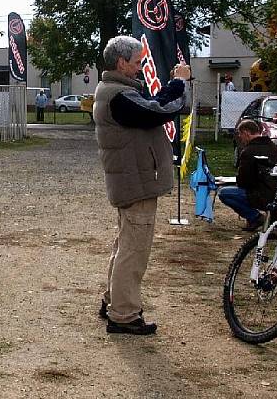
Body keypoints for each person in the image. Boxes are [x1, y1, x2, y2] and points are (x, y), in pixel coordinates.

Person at [93, 35, 191, 335]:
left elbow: (155, 106)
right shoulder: (118, 96)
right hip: (135, 184)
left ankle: (113, 300)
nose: (140, 68)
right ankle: (123, 315)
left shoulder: (117, 91)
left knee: (125, 245)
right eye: (137, 63)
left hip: (132, 182)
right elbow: (158, 110)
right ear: (121, 63)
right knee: (133, 251)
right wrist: (179, 82)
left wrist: (175, 88)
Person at [219, 119, 277, 232]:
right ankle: (272, 217)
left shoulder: (248, 152)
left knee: (224, 193)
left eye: (240, 134)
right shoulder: (276, 149)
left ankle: (255, 217)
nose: (240, 138)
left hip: (263, 195)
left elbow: (243, 181)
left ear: (246, 133)